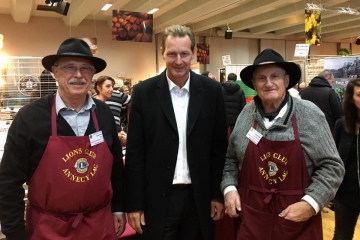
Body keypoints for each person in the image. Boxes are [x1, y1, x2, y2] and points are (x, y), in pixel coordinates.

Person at [0, 38, 126, 239]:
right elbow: (8, 181)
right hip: (48, 228)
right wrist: (14, 231)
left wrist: (118, 207)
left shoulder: (103, 113)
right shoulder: (30, 117)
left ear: (93, 74)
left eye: (86, 68)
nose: (78, 75)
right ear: (55, 72)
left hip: (99, 225)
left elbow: (116, 168)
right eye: (70, 67)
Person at [221, 49, 345, 240]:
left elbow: (333, 167)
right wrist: (229, 188)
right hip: (252, 220)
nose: (268, 83)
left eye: (275, 76)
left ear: (286, 81)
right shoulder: (246, 114)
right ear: (254, 84)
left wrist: (311, 203)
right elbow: (230, 159)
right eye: (261, 78)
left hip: (297, 223)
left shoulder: (309, 114)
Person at [125, 24, 228, 240]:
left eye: (184, 54)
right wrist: (135, 204)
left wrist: (217, 195)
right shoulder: (144, 93)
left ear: (193, 55)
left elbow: (219, 147)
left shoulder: (212, 91)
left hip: (199, 198)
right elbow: (135, 153)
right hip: (158, 199)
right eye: (172, 54)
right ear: (163, 53)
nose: (178, 61)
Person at [333, 77, 360, 240]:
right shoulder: (342, 125)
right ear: (351, 99)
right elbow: (333, 159)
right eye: (359, 95)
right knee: (342, 235)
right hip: (346, 193)